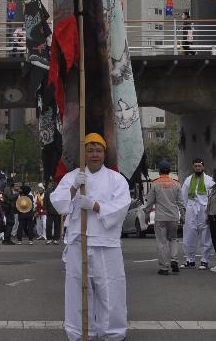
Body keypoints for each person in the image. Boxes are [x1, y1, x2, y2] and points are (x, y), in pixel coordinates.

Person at [51, 133, 131, 341]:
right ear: (83, 153)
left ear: (105, 153)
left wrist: (95, 206)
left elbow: (122, 206)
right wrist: (73, 187)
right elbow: (59, 204)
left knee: (110, 289)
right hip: (79, 243)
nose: (94, 154)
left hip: (106, 244)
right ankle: (80, 332)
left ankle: (112, 333)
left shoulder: (116, 179)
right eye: (90, 150)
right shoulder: (73, 177)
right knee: (77, 290)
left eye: (98, 150)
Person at [144, 160, 184, 275]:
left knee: (162, 242)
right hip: (173, 217)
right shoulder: (176, 183)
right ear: (170, 171)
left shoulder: (154, 183)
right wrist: (183, 216)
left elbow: (150, 202)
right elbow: (181, 202)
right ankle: (174, 260)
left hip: (160, 217)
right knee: (173, 239)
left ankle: (164, 268)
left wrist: (147, 215)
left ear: (159, 171)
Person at [180, 158, 214, 270]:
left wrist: (210, 214)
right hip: (190, 211)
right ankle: (190, 260)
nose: (197, 168)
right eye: (195, 166)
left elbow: (212, 198)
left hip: (204, 211)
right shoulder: (188, 180)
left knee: (205, 236)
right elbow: (183, 198)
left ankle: (204, 261)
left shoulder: (209, 180)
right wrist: (183, 213)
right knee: (189, 236)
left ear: (203, 167)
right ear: (193, 167)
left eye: (199, 166)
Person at [0, 178, 18, 245]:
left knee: (9, 224)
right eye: (13, 182)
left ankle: (7, 239)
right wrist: (16, 194)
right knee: (10, 224)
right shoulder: (7, 188)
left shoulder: (7, 188)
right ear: (10, 182)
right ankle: (6, 240)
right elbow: (10, 197)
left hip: (8, 208)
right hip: (8, 209)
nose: (13, 183)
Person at [44, 179, 61, 244]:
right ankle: (49, 238)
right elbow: (45, 201)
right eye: (52, 182)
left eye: (55, 182)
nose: (53, 184)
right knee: (48, 225)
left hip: (57, 211)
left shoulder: (59, 191)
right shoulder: (48, 191)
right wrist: (45, 209)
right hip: (49, 211)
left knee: (57, 226)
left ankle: (56, 239)